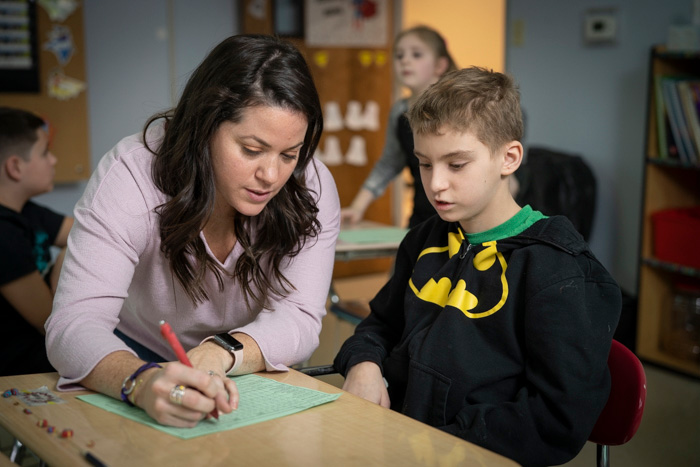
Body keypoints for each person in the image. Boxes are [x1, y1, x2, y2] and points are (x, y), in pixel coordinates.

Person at [45, 34, 341, 428]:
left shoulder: (311, 185)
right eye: (251, 150)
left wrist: (222, 352)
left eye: (289, 155)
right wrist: (140, 381)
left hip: (245, 359)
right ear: (205, 125)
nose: (271, 175)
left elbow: (299, 317)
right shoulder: (133, 173)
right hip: (136, 353)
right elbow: (74, 323)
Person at [333, 67, 621, 466]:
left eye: (456, 164)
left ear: (509, 158)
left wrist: (434, 442)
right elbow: (379, 324)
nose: (435, 185)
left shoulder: (556, 269)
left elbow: (557, 418)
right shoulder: (424, 240)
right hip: (393, 441)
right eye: (424, 164)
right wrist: (364, 364)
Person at [341, 25, 457, 228]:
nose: (405, 60)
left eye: (416, 54)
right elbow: (389, 163)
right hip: (423, 215)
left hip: (461, 215)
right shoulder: (399, 112)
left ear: (440, 65)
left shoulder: (461, 107)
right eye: (399, 55)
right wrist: (358, 207)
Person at [0, 107, 73, 377]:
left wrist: (70, 250)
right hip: (21, 374)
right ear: (15, 167)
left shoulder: (28, 211)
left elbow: (87, 232)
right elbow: (50, 322)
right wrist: (62, 263)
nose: (53, 160)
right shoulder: (4, 236)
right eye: (44, 153)